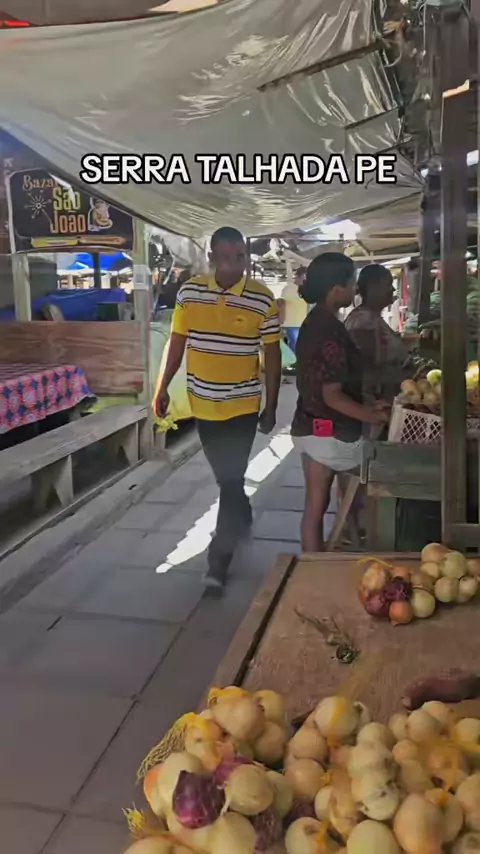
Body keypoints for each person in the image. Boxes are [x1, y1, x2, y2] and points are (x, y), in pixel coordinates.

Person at [155, 226, 282, 588]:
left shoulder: (262, 298)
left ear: (246, 257)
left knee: (229, 477)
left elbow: (272, 355)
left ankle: (218, 561)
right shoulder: (190, 293)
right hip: (203, 405)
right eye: (224, 258)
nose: (233, 265)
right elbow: (176, 343)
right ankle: (242, 513)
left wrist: (271, 405)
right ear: (211, 259)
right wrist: (162, 387)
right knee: (229, 477)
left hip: (243, 406)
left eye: (239, 257)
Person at [291, 253, 390, 552]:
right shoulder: (330, 331)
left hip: (309, 427)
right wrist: (370, 415)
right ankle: (353, 535)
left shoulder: (314, 322)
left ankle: (314, 566)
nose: (355, 289)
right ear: (335, 290)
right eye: (351, 284)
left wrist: (366, 404)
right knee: (382, 463)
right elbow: (331, 394)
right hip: (330, 435)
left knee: (313, 509)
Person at [345, 264, 411, 403]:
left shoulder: (371, 318)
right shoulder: (363, 322)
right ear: (373, 288)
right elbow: (365, 370)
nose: (393, 289)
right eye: (388, 285)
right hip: (371, 404)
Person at [277, 266, 307, 354]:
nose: (305, 280)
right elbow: (281, 304)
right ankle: (293, 361)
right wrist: (281, 321)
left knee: (299, 345)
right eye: (304, 277)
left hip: (301, 323)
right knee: (294, 344)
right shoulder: (289, 288)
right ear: (297, 276)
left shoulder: (304, 290)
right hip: (290, 323)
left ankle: (295, 360)